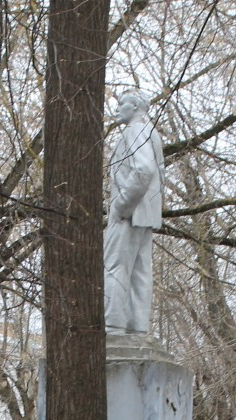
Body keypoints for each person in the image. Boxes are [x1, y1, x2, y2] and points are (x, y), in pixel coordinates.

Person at [103, 90, 164, 337]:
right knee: (140, 271)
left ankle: (113, 326)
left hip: (130, 212)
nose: (117, 109)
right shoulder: (151, 132)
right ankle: (137, 328)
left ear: (136, 105)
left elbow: (144, 170)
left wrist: (121, 205)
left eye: (121, 104)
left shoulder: (135, 130)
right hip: (144, 214)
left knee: (115, 266)